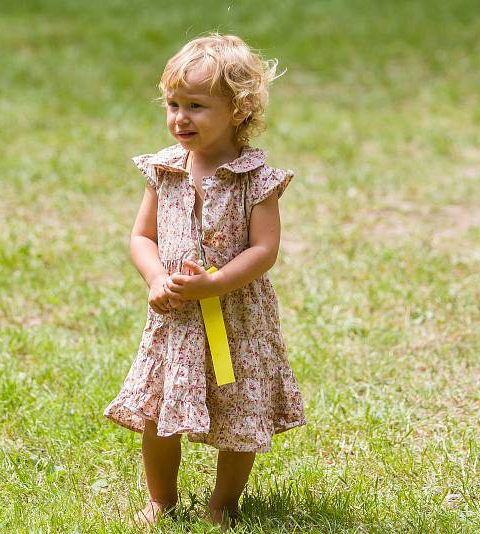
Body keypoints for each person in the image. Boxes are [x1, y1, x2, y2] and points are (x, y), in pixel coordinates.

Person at [103, 33, 306, 529]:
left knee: (239, 414)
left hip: (235, 318)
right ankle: (161, 499)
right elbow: (140, 236)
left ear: (238, 110)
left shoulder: (254, 179)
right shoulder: (165, 170)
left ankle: (224, 502)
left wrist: (216, 285)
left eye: (196, 106)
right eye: (172, 104)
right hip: (174, 318)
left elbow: (264, 250)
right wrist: (156, 278)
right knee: (156, 412)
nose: (180, 118)